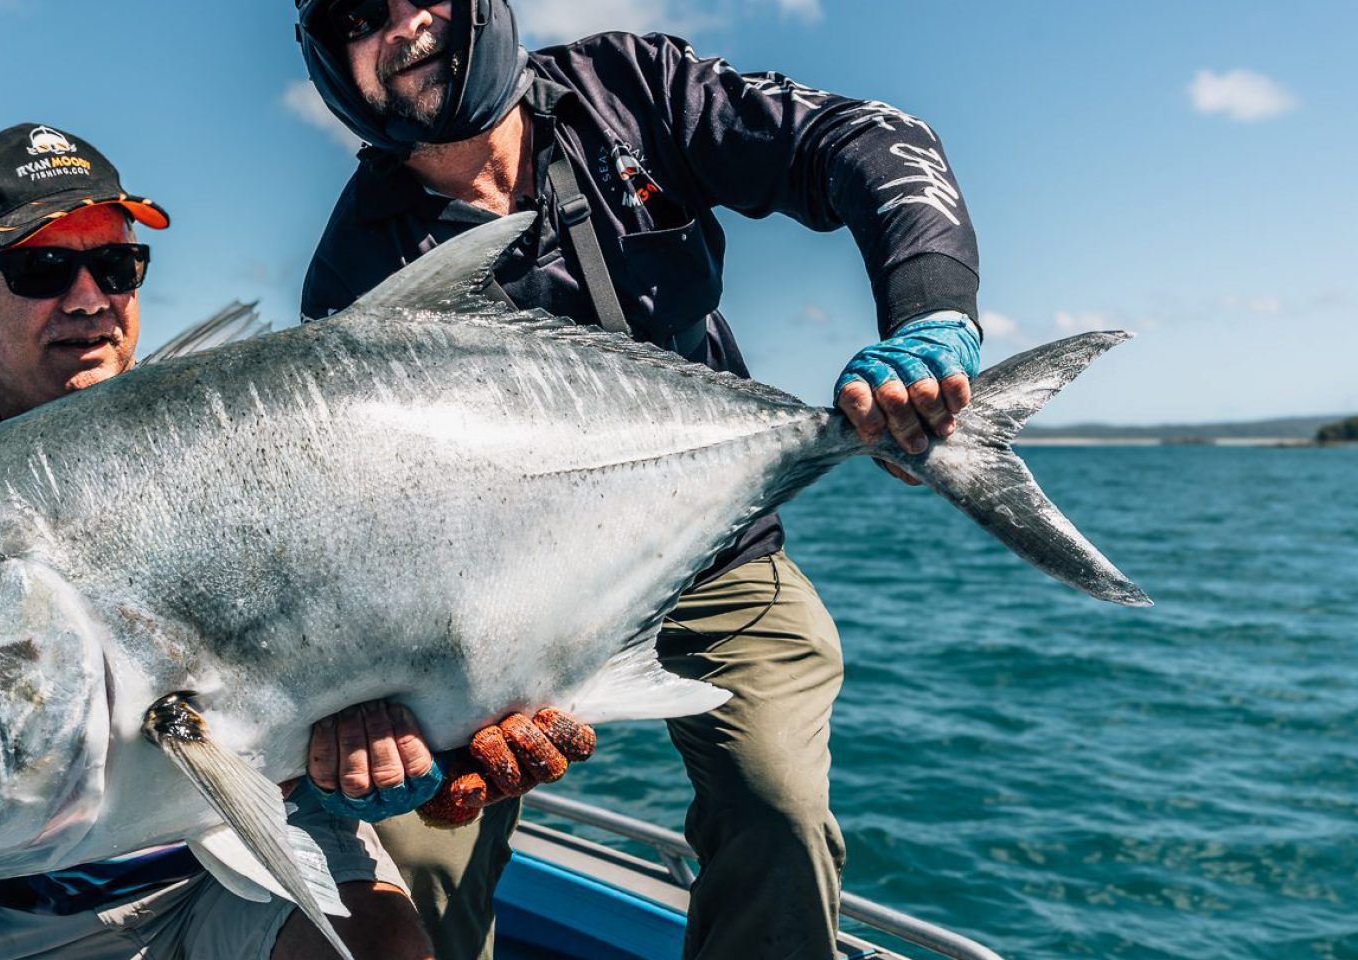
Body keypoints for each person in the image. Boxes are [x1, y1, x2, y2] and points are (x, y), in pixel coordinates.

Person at [292, 2, 985, 958]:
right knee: (413, 870)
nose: (405, 24)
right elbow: (371, 537)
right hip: (480, 617)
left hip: (714, 555)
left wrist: (930, 314)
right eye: (360, 15)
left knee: (778, 812)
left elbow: (866, 138)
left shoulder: (634, 92)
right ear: (332, 61)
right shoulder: (353, 273)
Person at [0, 121, 437, 960]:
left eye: (114, 265)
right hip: (41, 915)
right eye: (42, 268)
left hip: (263, 848)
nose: (89, 298)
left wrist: (385, 726)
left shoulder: (240, 443)